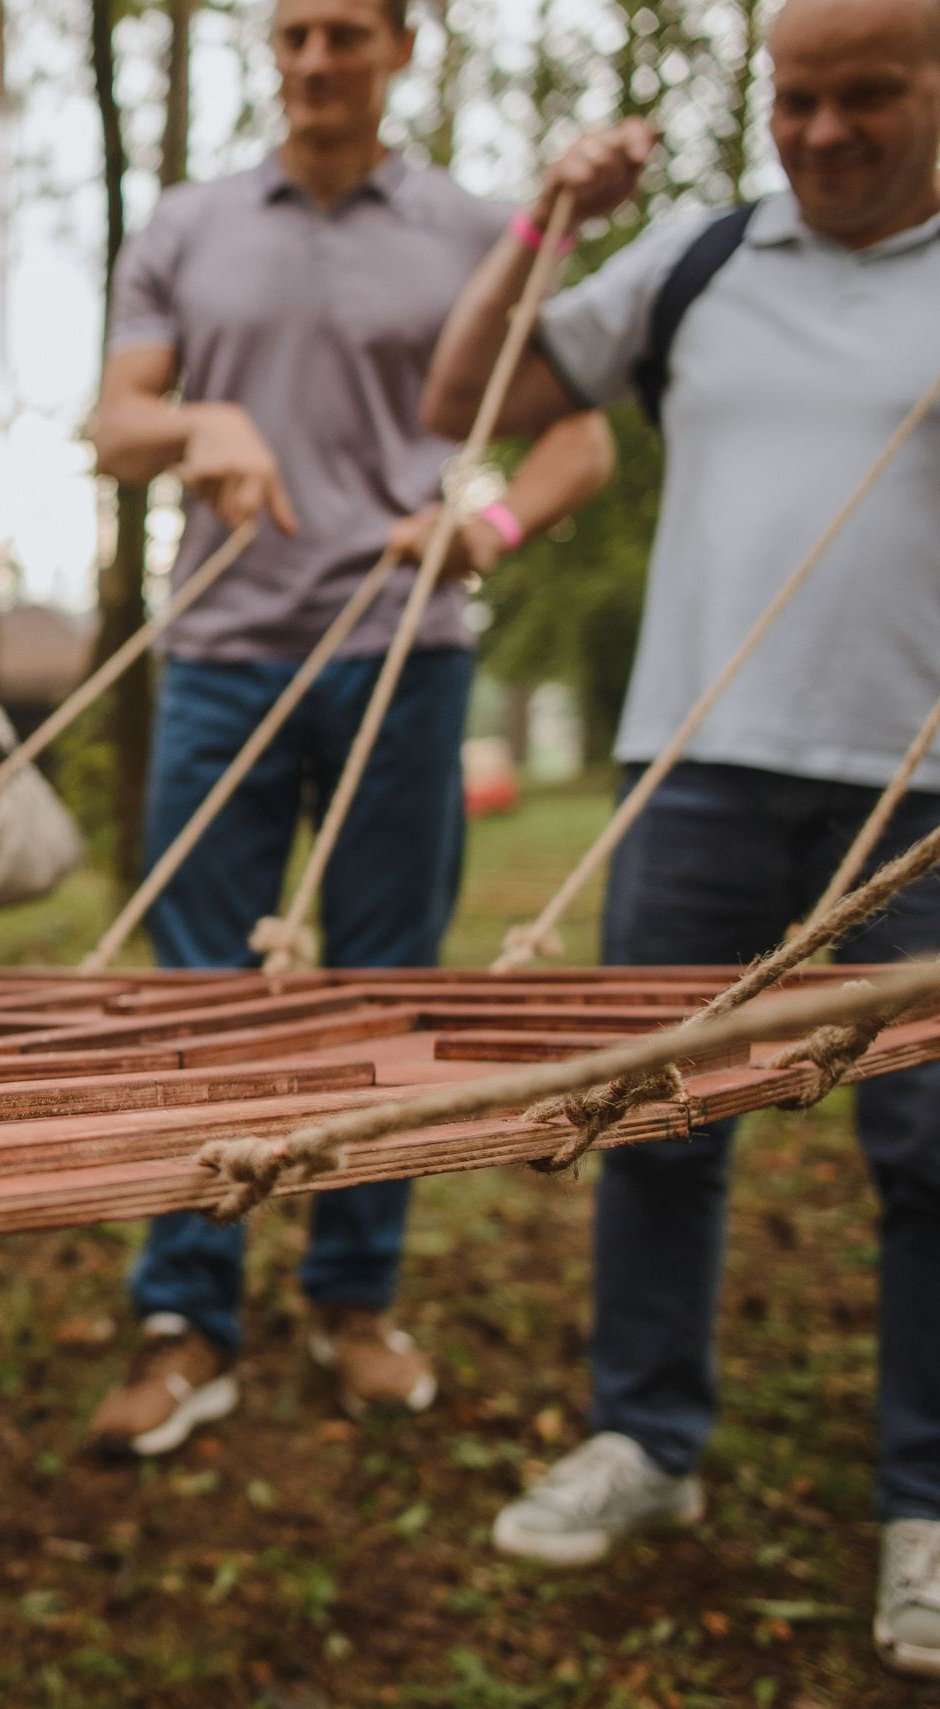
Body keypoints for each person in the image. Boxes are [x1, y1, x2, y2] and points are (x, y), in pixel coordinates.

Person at [420, 0, 940, 1675]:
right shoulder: (705, 262)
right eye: (798, 96)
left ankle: (926, 1506)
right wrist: (547, 225)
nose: (826, 130)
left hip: (919, 797)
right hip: (693, 768)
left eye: (872, 94)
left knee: (932, 1154)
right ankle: (646, 1439)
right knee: (654, 1114)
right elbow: (462, 393)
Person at [84, 0, 617, 1457]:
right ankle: (186, 1314)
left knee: (388, 989)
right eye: (293, 32)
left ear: (401, 46)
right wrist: (203, 429)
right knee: (198, 995)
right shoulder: (186, 227)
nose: (316, 58)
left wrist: (488, 525)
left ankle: (350, 1295)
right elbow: (115, 423)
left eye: (346, 32)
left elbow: (580, 434)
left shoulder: (481, 233)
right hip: (217, 653)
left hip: (406, 653)